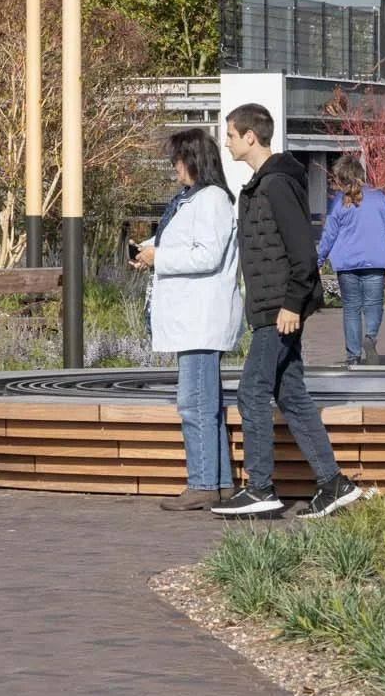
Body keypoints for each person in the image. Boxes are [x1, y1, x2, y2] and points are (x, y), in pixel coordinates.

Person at [211, 104, 365, 520]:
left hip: (278, 310)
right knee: (291, 395)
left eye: (229, 134)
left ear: (250, 137)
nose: (224, 142)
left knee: (252, 391)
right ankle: (334, 484)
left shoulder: (276, 185)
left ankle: (260, 488)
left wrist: (291, 304)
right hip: (271, 306)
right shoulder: (264, 184)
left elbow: (302, 253)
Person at [131, 128, 242, 510]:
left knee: (194, 404)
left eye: (177, 159)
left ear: (192, 159)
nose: (173, 167)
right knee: (204, 403)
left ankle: (202, 483)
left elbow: (206, 256)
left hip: (201, 321)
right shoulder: (193, 199)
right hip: (194, 320)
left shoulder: (211, 200)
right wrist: (151, 250)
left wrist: (159, 258)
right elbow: (189, 245)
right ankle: (219, 481)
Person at [318, 153, 385, 365]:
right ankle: (370, 337)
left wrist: (319, 260)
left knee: (351, 309)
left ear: (341, 177)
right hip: (376, 261)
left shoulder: (338, 202)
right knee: (374, 305)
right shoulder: (380, 197)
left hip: (347, 263)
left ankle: (353, 355)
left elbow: (329, 234)